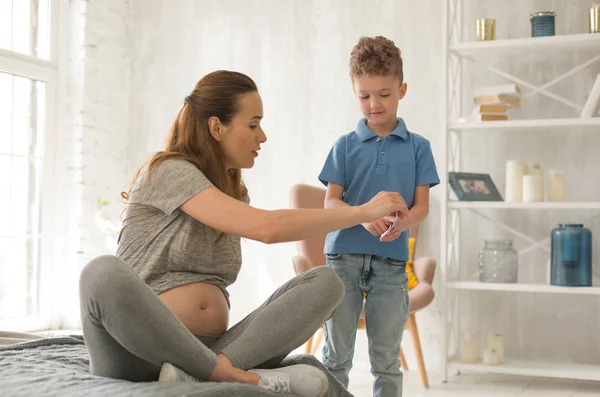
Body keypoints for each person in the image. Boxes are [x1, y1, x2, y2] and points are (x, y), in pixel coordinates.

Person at [78, 70, 409, 397]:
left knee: (326, 283)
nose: (261, 137)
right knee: (100, 272)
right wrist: (362, 212)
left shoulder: (235, 193)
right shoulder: (169, 171)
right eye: (253, 125)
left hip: (216, 349)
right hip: (138, 351)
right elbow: (266, 228)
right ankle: (219, 374)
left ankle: (207, 373)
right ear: (216, 127)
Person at [318, 36, 440, 397]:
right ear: (354, 91)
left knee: (386, 361)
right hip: (342, 259)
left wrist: (402, 223)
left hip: (391, 263)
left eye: (384, 94)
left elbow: (421, 208)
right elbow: (331, 204)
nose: (374, 104)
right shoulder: (343, 145)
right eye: (365, 95)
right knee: (335, 357)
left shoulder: (419, 148)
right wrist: (361, 216)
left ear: (402, 90)